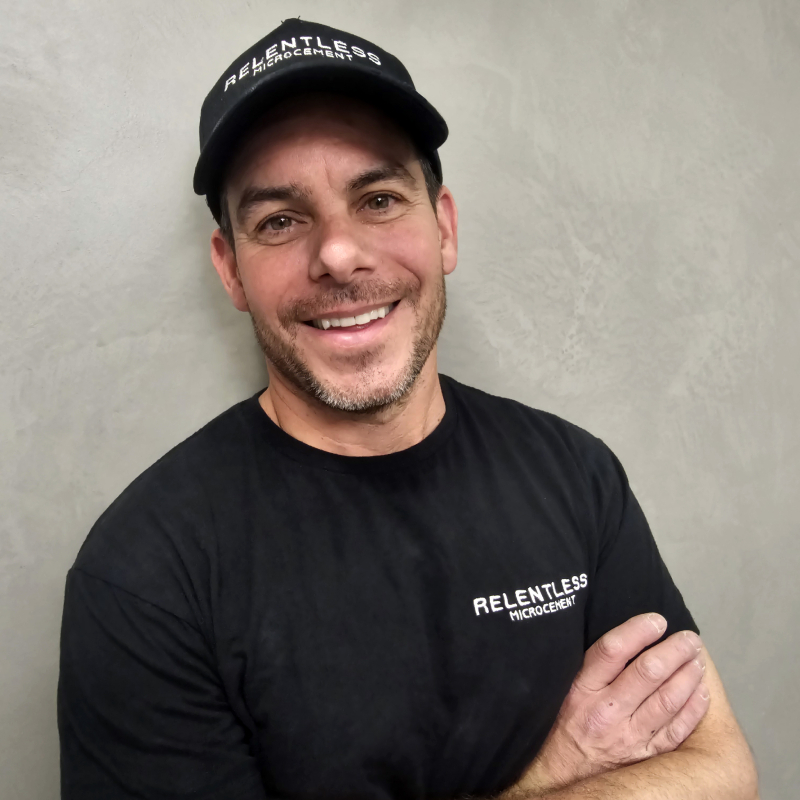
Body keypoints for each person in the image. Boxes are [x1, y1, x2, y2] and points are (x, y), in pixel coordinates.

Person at [57, 18, 757, 800]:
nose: (338, 254)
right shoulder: (148, 573)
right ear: (230, 270)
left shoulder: (575, 475)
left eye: (380, 198)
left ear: (444, 228)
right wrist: (549, 776)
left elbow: (719, 772)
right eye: (280, 221)